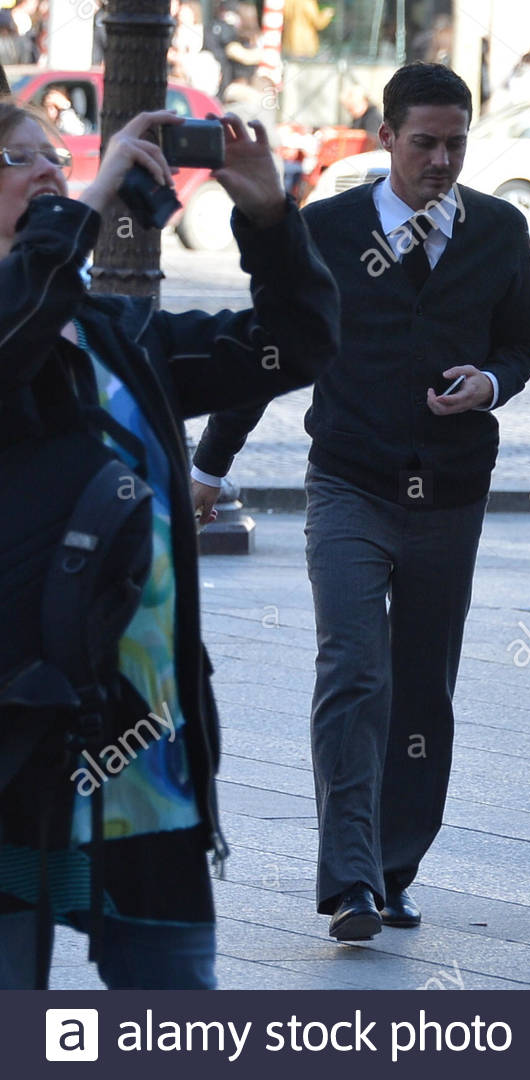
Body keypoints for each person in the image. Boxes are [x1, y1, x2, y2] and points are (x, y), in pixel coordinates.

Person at [190, 63, 530, 941]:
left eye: (456, 143)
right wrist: (209, 467)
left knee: (424, 691)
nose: (440, 160)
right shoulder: (330, 230)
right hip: (349, 482)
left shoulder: (499, 231)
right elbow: (271, 351)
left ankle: (393, 869)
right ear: (385, 137)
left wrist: (492, 381)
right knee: (355, 672)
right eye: (423, 142)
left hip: (451, 494)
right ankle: (349, 881)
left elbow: (525, 339)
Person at [0, 101, 338, 987]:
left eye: (51, 158)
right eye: (15, 157)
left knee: (174, 1002)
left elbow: (291, 345)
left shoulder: (112, 336)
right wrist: (84, 204)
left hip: (140, 736)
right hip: (15, 743)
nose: (45, 171)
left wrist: (269, 218)